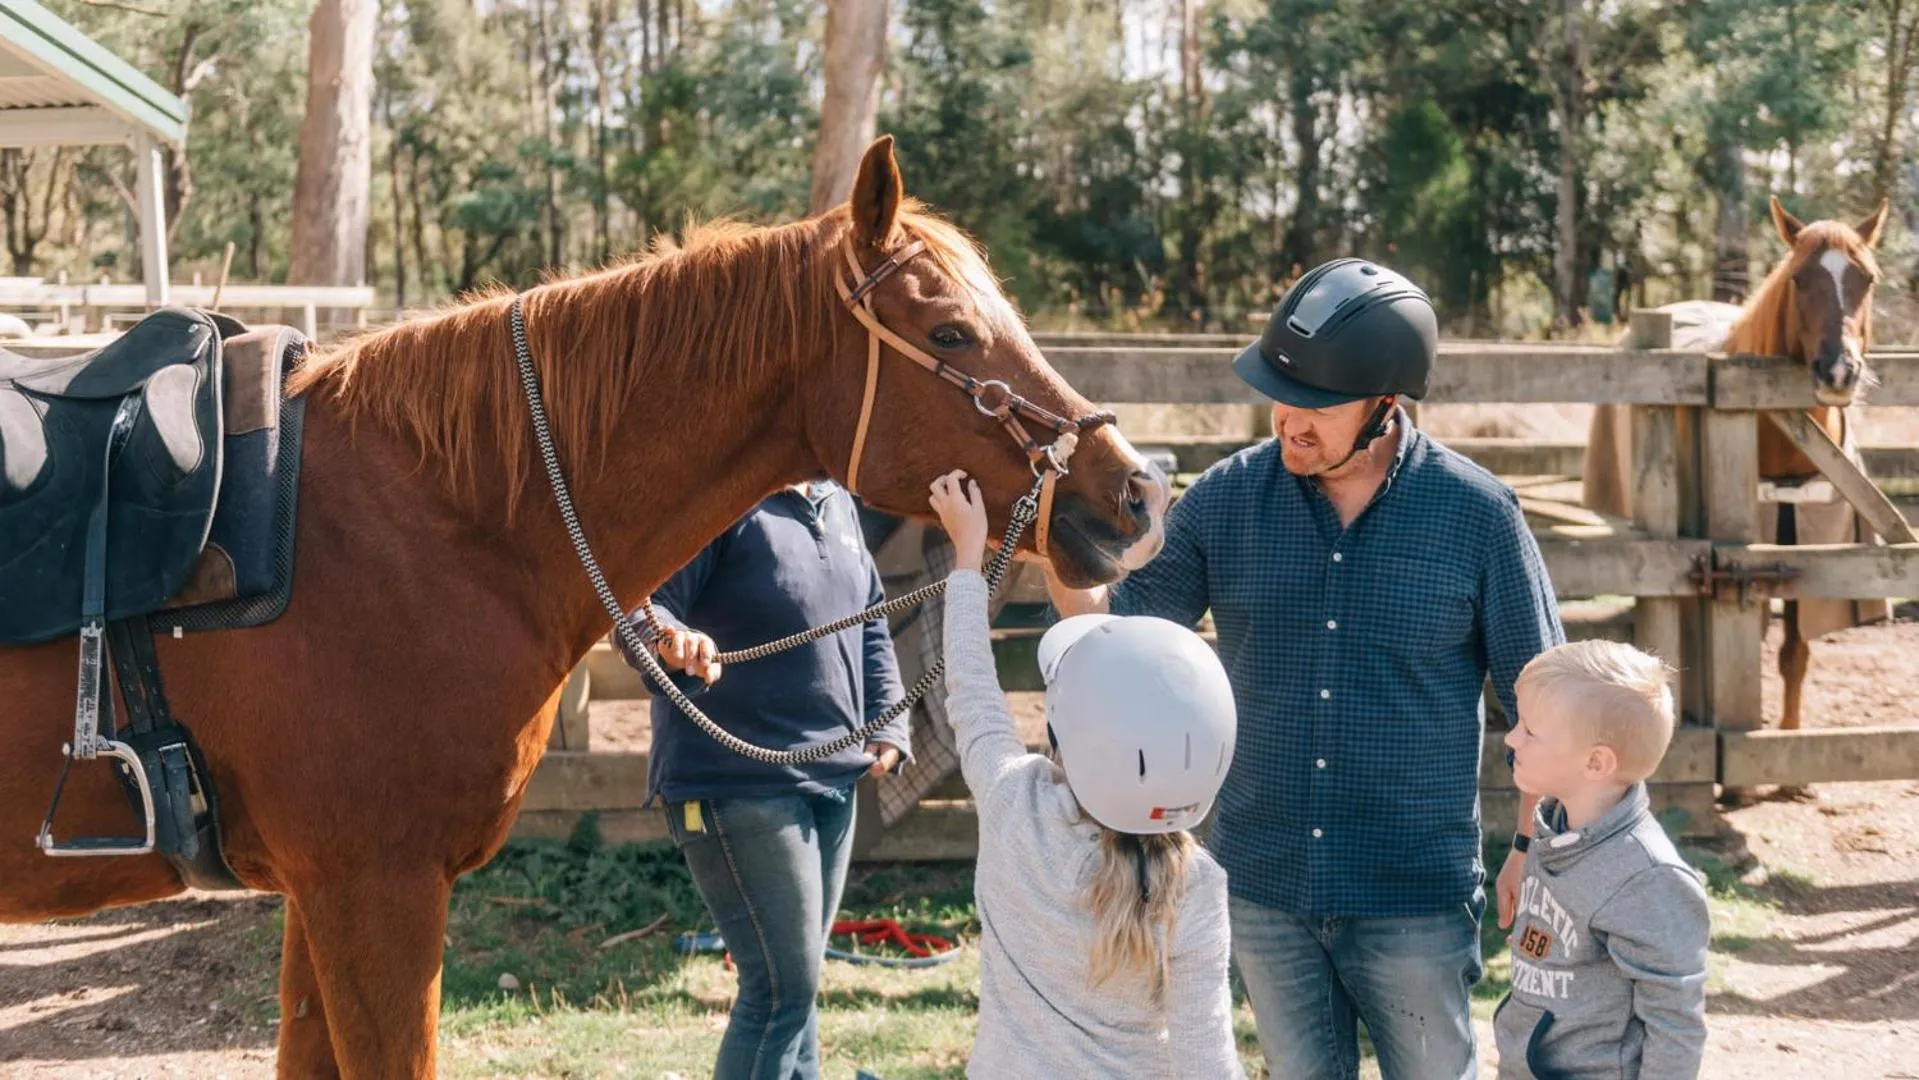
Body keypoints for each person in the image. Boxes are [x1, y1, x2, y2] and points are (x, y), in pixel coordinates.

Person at [1045, 258, 1565, 1080]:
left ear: (1385, 405)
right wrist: (1067, 536)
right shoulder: (1224, 501)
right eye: (1281, 396)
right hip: (1262, 883)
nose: (1290, 420)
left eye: (1317, 406)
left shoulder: (1478, 517)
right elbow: (1107, 646)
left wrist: (1534, 845)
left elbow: (1547, 698)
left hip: (1412, 895)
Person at [926, 469, 1244, 1079]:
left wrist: (969, 556)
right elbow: (1207, 1057)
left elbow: (971, 691)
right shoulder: (1197, 885)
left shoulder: (1015, 806)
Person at [622, 480, 909, 1080]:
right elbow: (641, 611)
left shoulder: (837, 501)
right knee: (780, 990)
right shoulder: (721, 497)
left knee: (795, 990)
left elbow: (873, 623)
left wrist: (890, 720)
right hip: (736, 779)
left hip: (832, 776)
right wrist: (676, 642)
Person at [1497, 641, 1709, 1079]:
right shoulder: (1553, 831)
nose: (1511, 737)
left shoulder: (1649, 879)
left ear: (1595, 762)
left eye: (1530, 730)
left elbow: (1675, 1023)